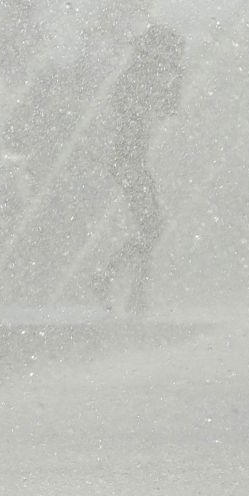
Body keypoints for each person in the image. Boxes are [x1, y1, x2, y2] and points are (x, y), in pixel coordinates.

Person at [94, 23, 185, 315]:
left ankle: (127, 288)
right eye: (171, 53)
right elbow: (131, 112)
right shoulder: (136, 77)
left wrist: (176, 80)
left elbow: (171, 110)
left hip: (133, 162)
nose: (173, 60)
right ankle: (120, 284)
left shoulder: (148, 77)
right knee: (152, 226)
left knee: (153, 227)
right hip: (127, 161)